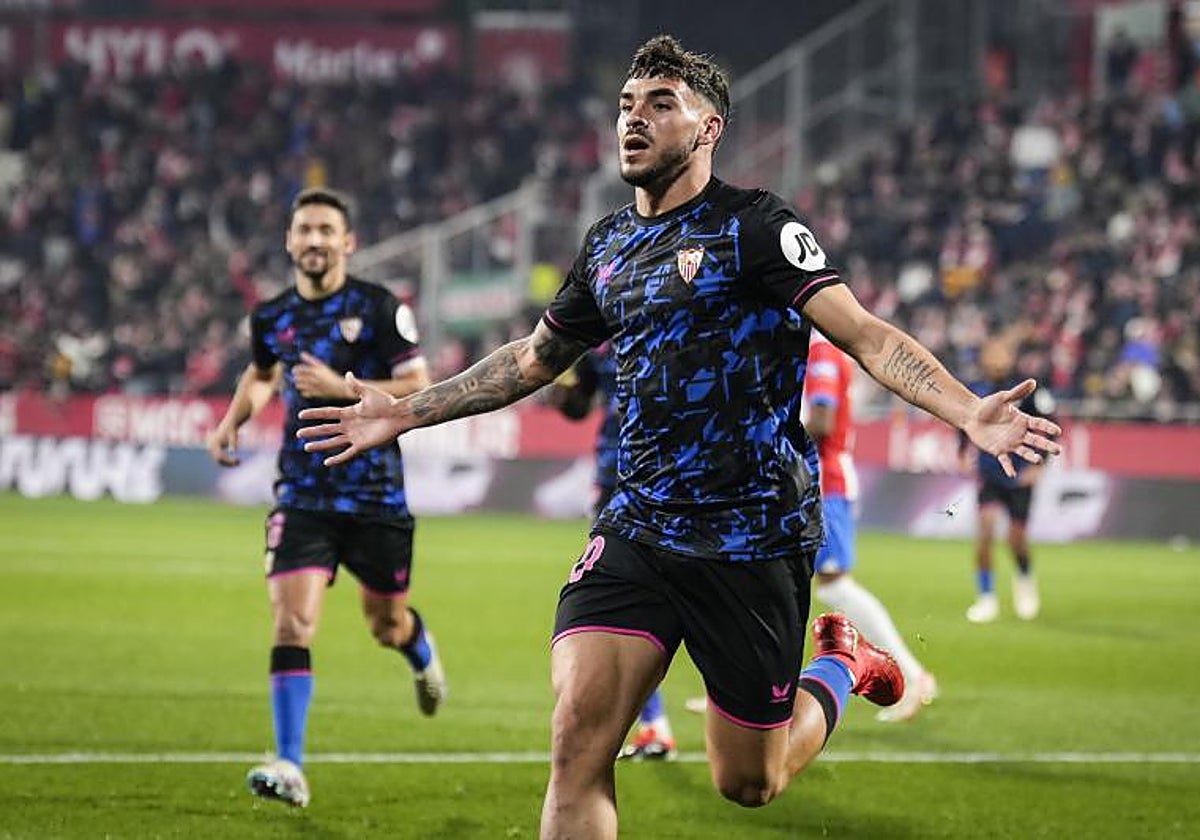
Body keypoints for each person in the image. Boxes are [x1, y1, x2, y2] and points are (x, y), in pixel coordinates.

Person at [297, 36, 1060, 837]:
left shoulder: (755, 227)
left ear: (708, 129)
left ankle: (842, 662)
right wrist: (405, 411)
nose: (635, 119)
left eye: (660, 104)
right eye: (627, 105)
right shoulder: (607, 246)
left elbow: (866, 336)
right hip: (639, 525)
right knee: (576, 740)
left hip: (750, 535)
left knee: (749, 783)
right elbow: (530, 360)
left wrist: (968, 409)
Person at [205, 187, 447, 809]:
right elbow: (262, 374)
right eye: (304, 230)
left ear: (347, 242)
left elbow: (418, 383)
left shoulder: (380, 306)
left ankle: (419, 650)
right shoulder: (272, 316)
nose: (314, 240)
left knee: (385, 625)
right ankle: (289, 763)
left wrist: (341, 386)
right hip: (303, 493)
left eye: (325, 231)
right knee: (293, 621)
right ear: (289, 242)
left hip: (374, 496)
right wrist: (234, 418)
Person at [548, 346, 676, 760]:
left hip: (678, 474)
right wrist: (563, 390)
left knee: (689, 592)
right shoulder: (595, 332)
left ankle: (737, 701)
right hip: (615, 473)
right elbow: (580, 405)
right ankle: (652, 723)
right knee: (625, 603)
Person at [960, 338, 1054, 623]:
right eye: (993, 352)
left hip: (1020, 475)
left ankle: (1025, 582)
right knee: (985, 532)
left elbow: (1052, 426)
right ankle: (986, 598)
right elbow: (962, 422)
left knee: (1016, 539)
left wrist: (1040, 467)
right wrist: (962, 453)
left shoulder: (1029, 390)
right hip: (990, 472)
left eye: (1002, 352)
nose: (997, 359)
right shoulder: (975, 390)